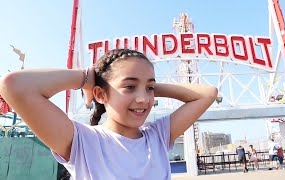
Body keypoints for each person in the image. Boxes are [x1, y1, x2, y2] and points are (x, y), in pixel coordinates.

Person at [0, 49, 218, 180]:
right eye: (129, 87)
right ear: (100, 94)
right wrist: (85, 78)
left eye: (149, 90)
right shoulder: (82, 142)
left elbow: (208, 94)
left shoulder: (158, 136)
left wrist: (147, 84)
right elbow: (13, 85)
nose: (143, 99)